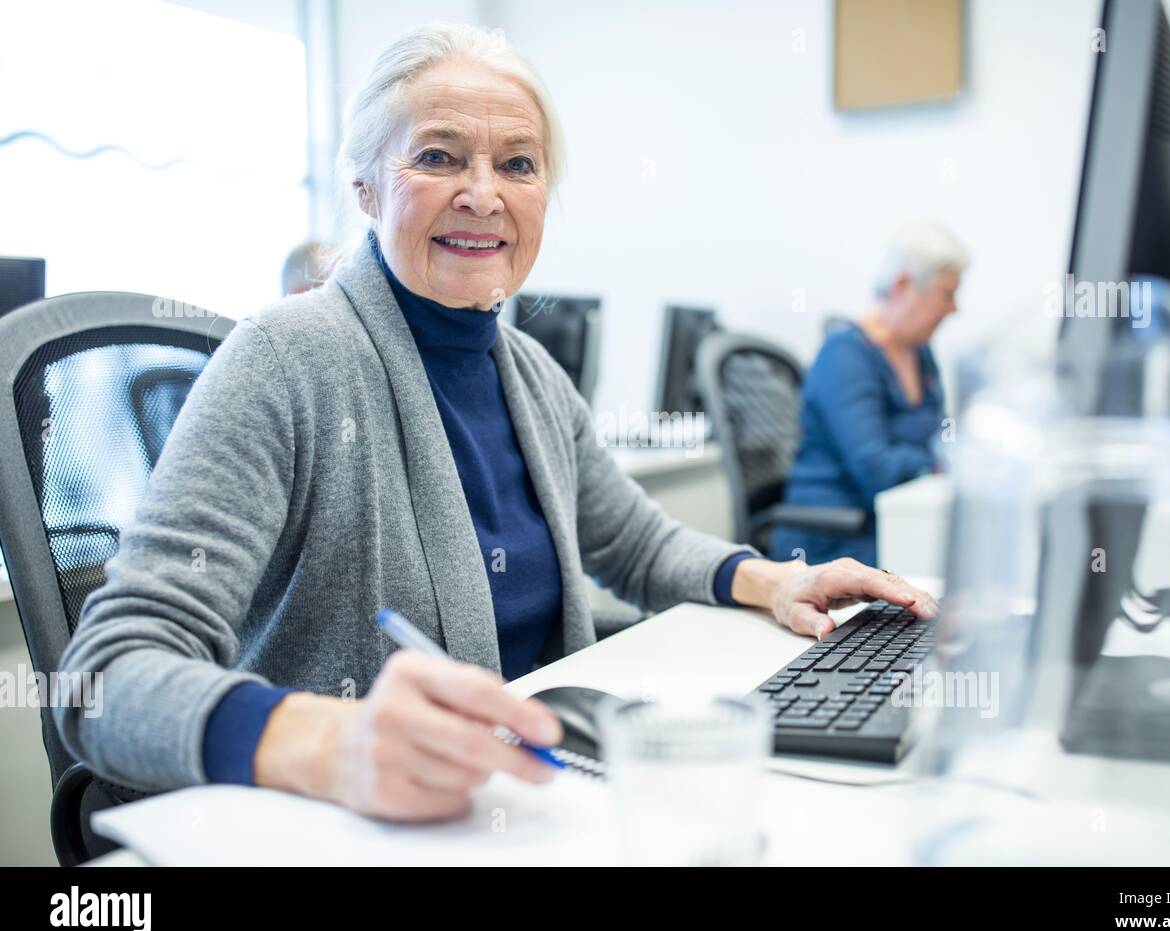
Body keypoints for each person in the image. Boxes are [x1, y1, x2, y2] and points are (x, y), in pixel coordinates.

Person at [57, 24, 937, 822]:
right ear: (365, 187)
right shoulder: (285, 360)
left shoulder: (529, 375)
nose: (484, 194)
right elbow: (106, 677)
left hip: (513, 802)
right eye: (439, 156)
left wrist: (774, 581)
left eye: (518, 165)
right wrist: (331, 742)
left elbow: (634, 544)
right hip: (349, 824)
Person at [771, 223, 968, 567]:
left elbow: (938, 440)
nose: (954, 308)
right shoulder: (844, 356)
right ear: (903, 286)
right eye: (946, 294)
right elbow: (878, 471)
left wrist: (934, 461)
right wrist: (934, 464)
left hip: (893, 525)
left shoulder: (920, 354)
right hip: (835, 543)